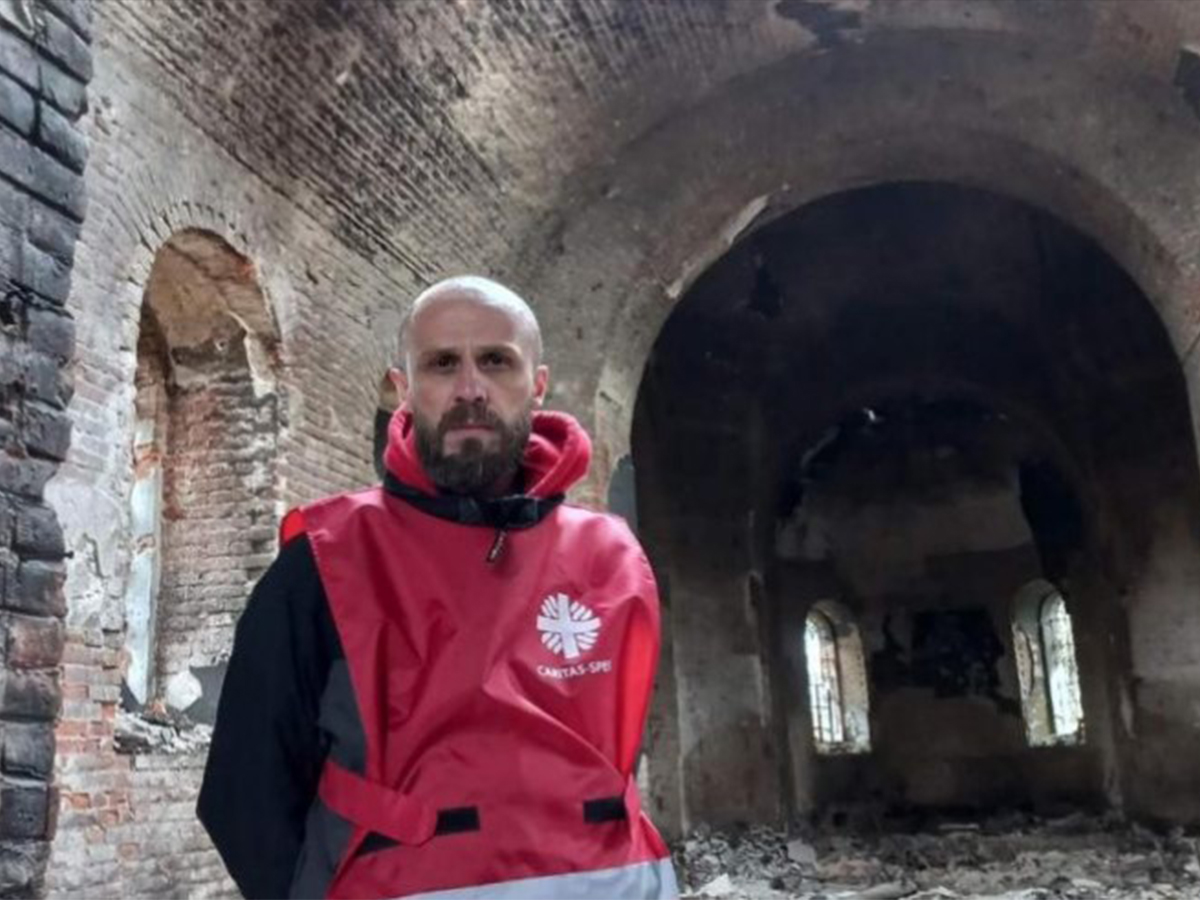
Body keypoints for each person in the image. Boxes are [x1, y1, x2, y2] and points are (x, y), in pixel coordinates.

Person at [197, 276, 678, 899]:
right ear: (404, 388)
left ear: (537, 384)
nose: (470, 389)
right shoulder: (328, 559)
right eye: (442, 363)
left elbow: (619, 751)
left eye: (496, 361)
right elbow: (245, 790)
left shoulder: (613, 559)